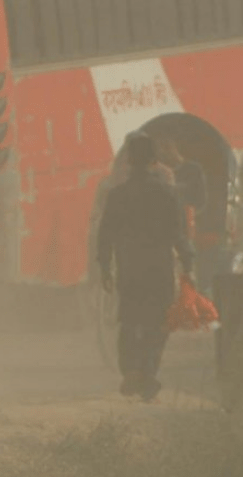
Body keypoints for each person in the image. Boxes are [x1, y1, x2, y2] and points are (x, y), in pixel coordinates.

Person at [97, 134, 195, 402]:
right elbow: (179, 235)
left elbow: (105, 235)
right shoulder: (167, 193)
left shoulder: (117, 195)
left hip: (129, 268)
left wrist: (105, 268)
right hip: (159, 269)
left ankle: (130, 370)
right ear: (154, 160)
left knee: (129, 320)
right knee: (157, 324)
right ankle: (148, 372)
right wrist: (188, 265)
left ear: (129, 160)